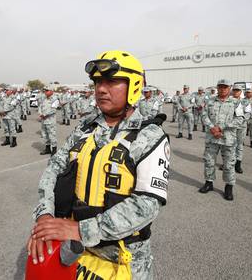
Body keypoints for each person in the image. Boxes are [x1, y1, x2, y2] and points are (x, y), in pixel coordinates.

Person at [29, 50, 169, 279]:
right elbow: (53, 169)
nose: (101, 89)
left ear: (134, 85)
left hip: (124, 259)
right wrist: (45, 216)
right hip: (74, 251)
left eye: (111, 81)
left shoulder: (150, 136)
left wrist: (80, 229)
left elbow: (147, 204)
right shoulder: (84, 128)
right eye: (97, 82)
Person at [198, 79, 237, 201]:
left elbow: (240, 119)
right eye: (220, 87)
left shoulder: (236, 103)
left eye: (225, 87)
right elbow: (204, 116)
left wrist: (220, 128)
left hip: (228, 139)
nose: (222, 89)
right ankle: (209, 183)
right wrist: (212, 128)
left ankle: (229, 187)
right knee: (209, 161)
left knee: (229, 164)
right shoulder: (209, 101)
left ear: (229, 88)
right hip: (211, 137)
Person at [231, 85, 252, 173]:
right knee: (229, 145)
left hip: (241, 127)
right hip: (230, 127)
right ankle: (229, 163)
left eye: (238, 90)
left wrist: (240, 121)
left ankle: (238, 164)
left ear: (241, 92)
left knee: (239, 145)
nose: (236, 92)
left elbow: (247, 113)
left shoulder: (245, 101)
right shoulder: (228, 101)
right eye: (234, 90)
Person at [38, 85, 59, 155]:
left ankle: (54, 149)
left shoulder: (55, 99)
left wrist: (44, 115)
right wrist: (40, 113)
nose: (45, 92)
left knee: (52, 135)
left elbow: (53, 110)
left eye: (47, 91)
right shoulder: (44, 98)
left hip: (50, 120)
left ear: (51, 91)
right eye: (45, 91)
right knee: (45, 135)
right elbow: (40, 106)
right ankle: (47, 149)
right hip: (44, 120)